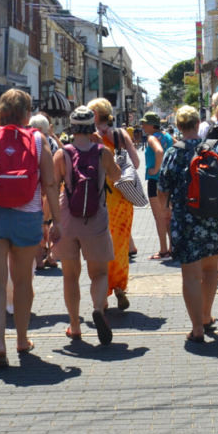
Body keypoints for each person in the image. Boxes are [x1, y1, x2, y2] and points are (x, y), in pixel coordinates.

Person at [0, 89, 61, 368]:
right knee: (23, 282)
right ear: (26, 113)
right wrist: (56, 219)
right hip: (27, 217)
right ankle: (22, 339)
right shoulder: (37, 138)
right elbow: (49, 183)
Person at [156, 105, 218, 343]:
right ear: (199, 125)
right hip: (215, 218)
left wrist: (165, 210)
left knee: (190, 274)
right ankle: (207, 317)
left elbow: (162, 188)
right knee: (210, 270)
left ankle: (197, 327)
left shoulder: (173, 152)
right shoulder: (215, 148)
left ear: (178, 127)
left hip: (185, 220)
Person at [52, 108, 121, 345]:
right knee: (99, 274)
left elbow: (51, 188)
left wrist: (50, 221)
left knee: (70, 276)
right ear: (92, 128)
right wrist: (105, 148)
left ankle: (74, 326)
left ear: (71, 128)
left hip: (67, 220)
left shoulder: (62, 154)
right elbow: (117, 176)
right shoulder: (103, 152)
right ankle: (98, 310)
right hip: (96, 220)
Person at [87, 98, 140, 310]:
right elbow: (135, 164)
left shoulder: (91, 137)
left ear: (95, 115)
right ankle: (119, 286)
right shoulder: (120, 134)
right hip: (121, 196)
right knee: (119, 245)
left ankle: (103, 295)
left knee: (100, 246)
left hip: (99, 196)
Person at [29, 114, 61, 271]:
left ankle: (39, 261)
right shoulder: (53, 141)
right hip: (54, 187)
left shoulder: (35, 142)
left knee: (40, 225)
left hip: (39, 189)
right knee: (53, 223)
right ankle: (51, 256)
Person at [141, 112, 173, 260]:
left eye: (145, 123)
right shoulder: (166, 135)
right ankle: (173, 247)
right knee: (169, 214)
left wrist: (155, 168)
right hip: (169, 179)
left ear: (152, 125)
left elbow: (159, 151)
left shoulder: (152, 137)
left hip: (155, 179)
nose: (142, 125)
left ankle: (163, 250)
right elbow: (178, 144)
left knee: (159, 217)